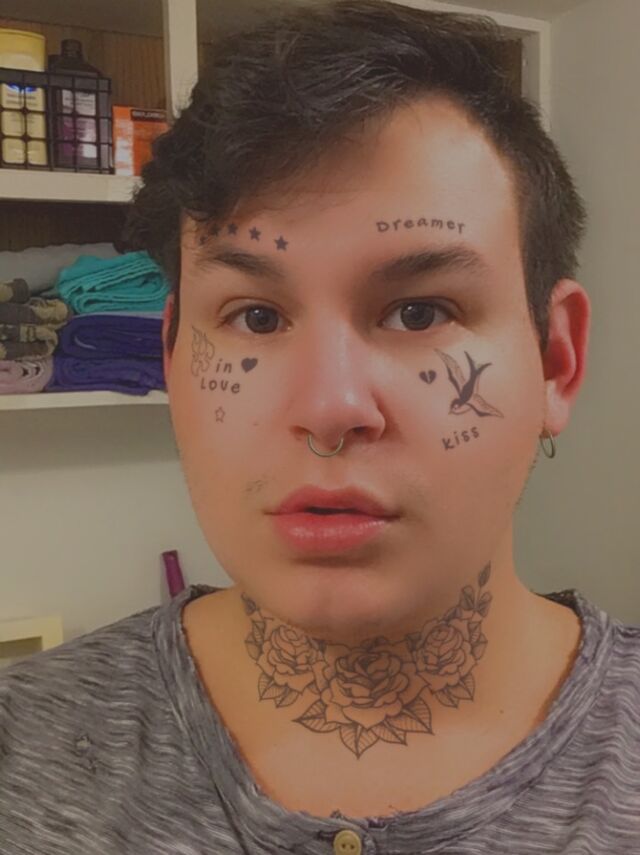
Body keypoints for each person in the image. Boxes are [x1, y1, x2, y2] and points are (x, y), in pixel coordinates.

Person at [1, 1, 639, 852]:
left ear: (556, 361)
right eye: (256, 317)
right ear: (171, 358)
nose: (331, 408)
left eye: (420, 311)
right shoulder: (21, 750)